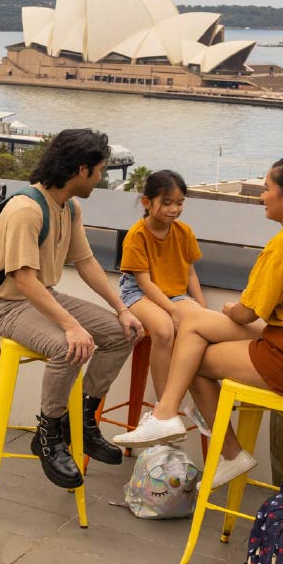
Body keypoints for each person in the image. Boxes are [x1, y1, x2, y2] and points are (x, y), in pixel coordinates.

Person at [116, 157, 283, 485]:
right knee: (194, 327)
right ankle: (171, 416)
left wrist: (231, 309)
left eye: (266, 189)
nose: (261, 196)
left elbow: (248, 312)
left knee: (194, 359)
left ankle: (200, 434)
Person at [0, 128, 143, 489]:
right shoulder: (26, 209)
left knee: (122, 333)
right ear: (81, 170)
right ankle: (49, 434)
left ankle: (82, 418)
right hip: (4, 304)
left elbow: (85, 262)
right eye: (99, 171)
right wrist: (71, 326)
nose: (101, 179)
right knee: (70, 346)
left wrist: (121, 309)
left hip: (40, 296)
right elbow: (23, 279)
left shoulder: (69, 206)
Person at [119, 169, 207, 402]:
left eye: (179, 203)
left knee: (203, 325)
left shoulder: (184, 232)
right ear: (147, 202)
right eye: (166, 202)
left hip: (175, 294)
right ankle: (164, 405)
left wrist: (201, 305)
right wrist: (173, 310)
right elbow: (144, 283)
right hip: (138, 293)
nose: (174, 209)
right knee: (164, 329)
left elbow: (190, 274)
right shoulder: (137, 235)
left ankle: (193, 399)